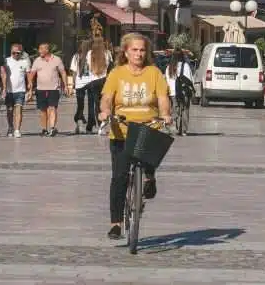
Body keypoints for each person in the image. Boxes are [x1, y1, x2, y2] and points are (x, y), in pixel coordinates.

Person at [98, 33, 171, 240]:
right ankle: (116, 223)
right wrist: (104, 111)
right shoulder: (117, 73)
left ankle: (150, 176)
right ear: (126, 52)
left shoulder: (154, 73)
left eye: (142, 50)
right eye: (134, 50)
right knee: (119, 177)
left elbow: (163, 98)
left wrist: (165, 114)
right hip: (121, 128)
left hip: (148, 125)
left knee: (149, 153)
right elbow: (107, 98)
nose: (138, 54)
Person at [71, 35, 109, 135]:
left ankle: (83, 123)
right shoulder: (103, 53)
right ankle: (96, 124)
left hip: (86, 82)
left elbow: (76, 71)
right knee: (97, 104)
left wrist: (73, 84)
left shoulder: (83, 55)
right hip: (98, 81)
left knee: (83, 105)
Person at [27, 43, 67, 136]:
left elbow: (63, 72)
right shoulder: (37, 61)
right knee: (43, 110)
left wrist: (66, 85)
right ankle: (44, 129)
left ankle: (52, 128)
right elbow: (32, 74)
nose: (39, 51)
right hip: (40, 89)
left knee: (52, 108)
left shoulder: (57, 59)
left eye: (41, 49)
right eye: (39, 49)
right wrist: (30, 84)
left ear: (47, 50)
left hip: (53, 89)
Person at [4, 43, 31, 137]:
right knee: (10, 111)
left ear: (21, 52)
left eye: (18, 53)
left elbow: (28, 75)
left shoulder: (25, 62)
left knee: (19, 109)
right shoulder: (6, 61)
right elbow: (2, 75)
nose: (15, 54)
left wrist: (30, 87)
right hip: (9, 90)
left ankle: (17, 129)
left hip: (20, 90)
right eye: (13, 53)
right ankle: (10, 127)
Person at [166, 49, 194, 136]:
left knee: (175, 109)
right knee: (185, 110)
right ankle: (184, 130)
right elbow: (190, 79)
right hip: (183, 91)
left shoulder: (169, 67)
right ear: (182, 56)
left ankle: (175, 128)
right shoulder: (185, 66)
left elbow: (167, 80)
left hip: (173, 92)